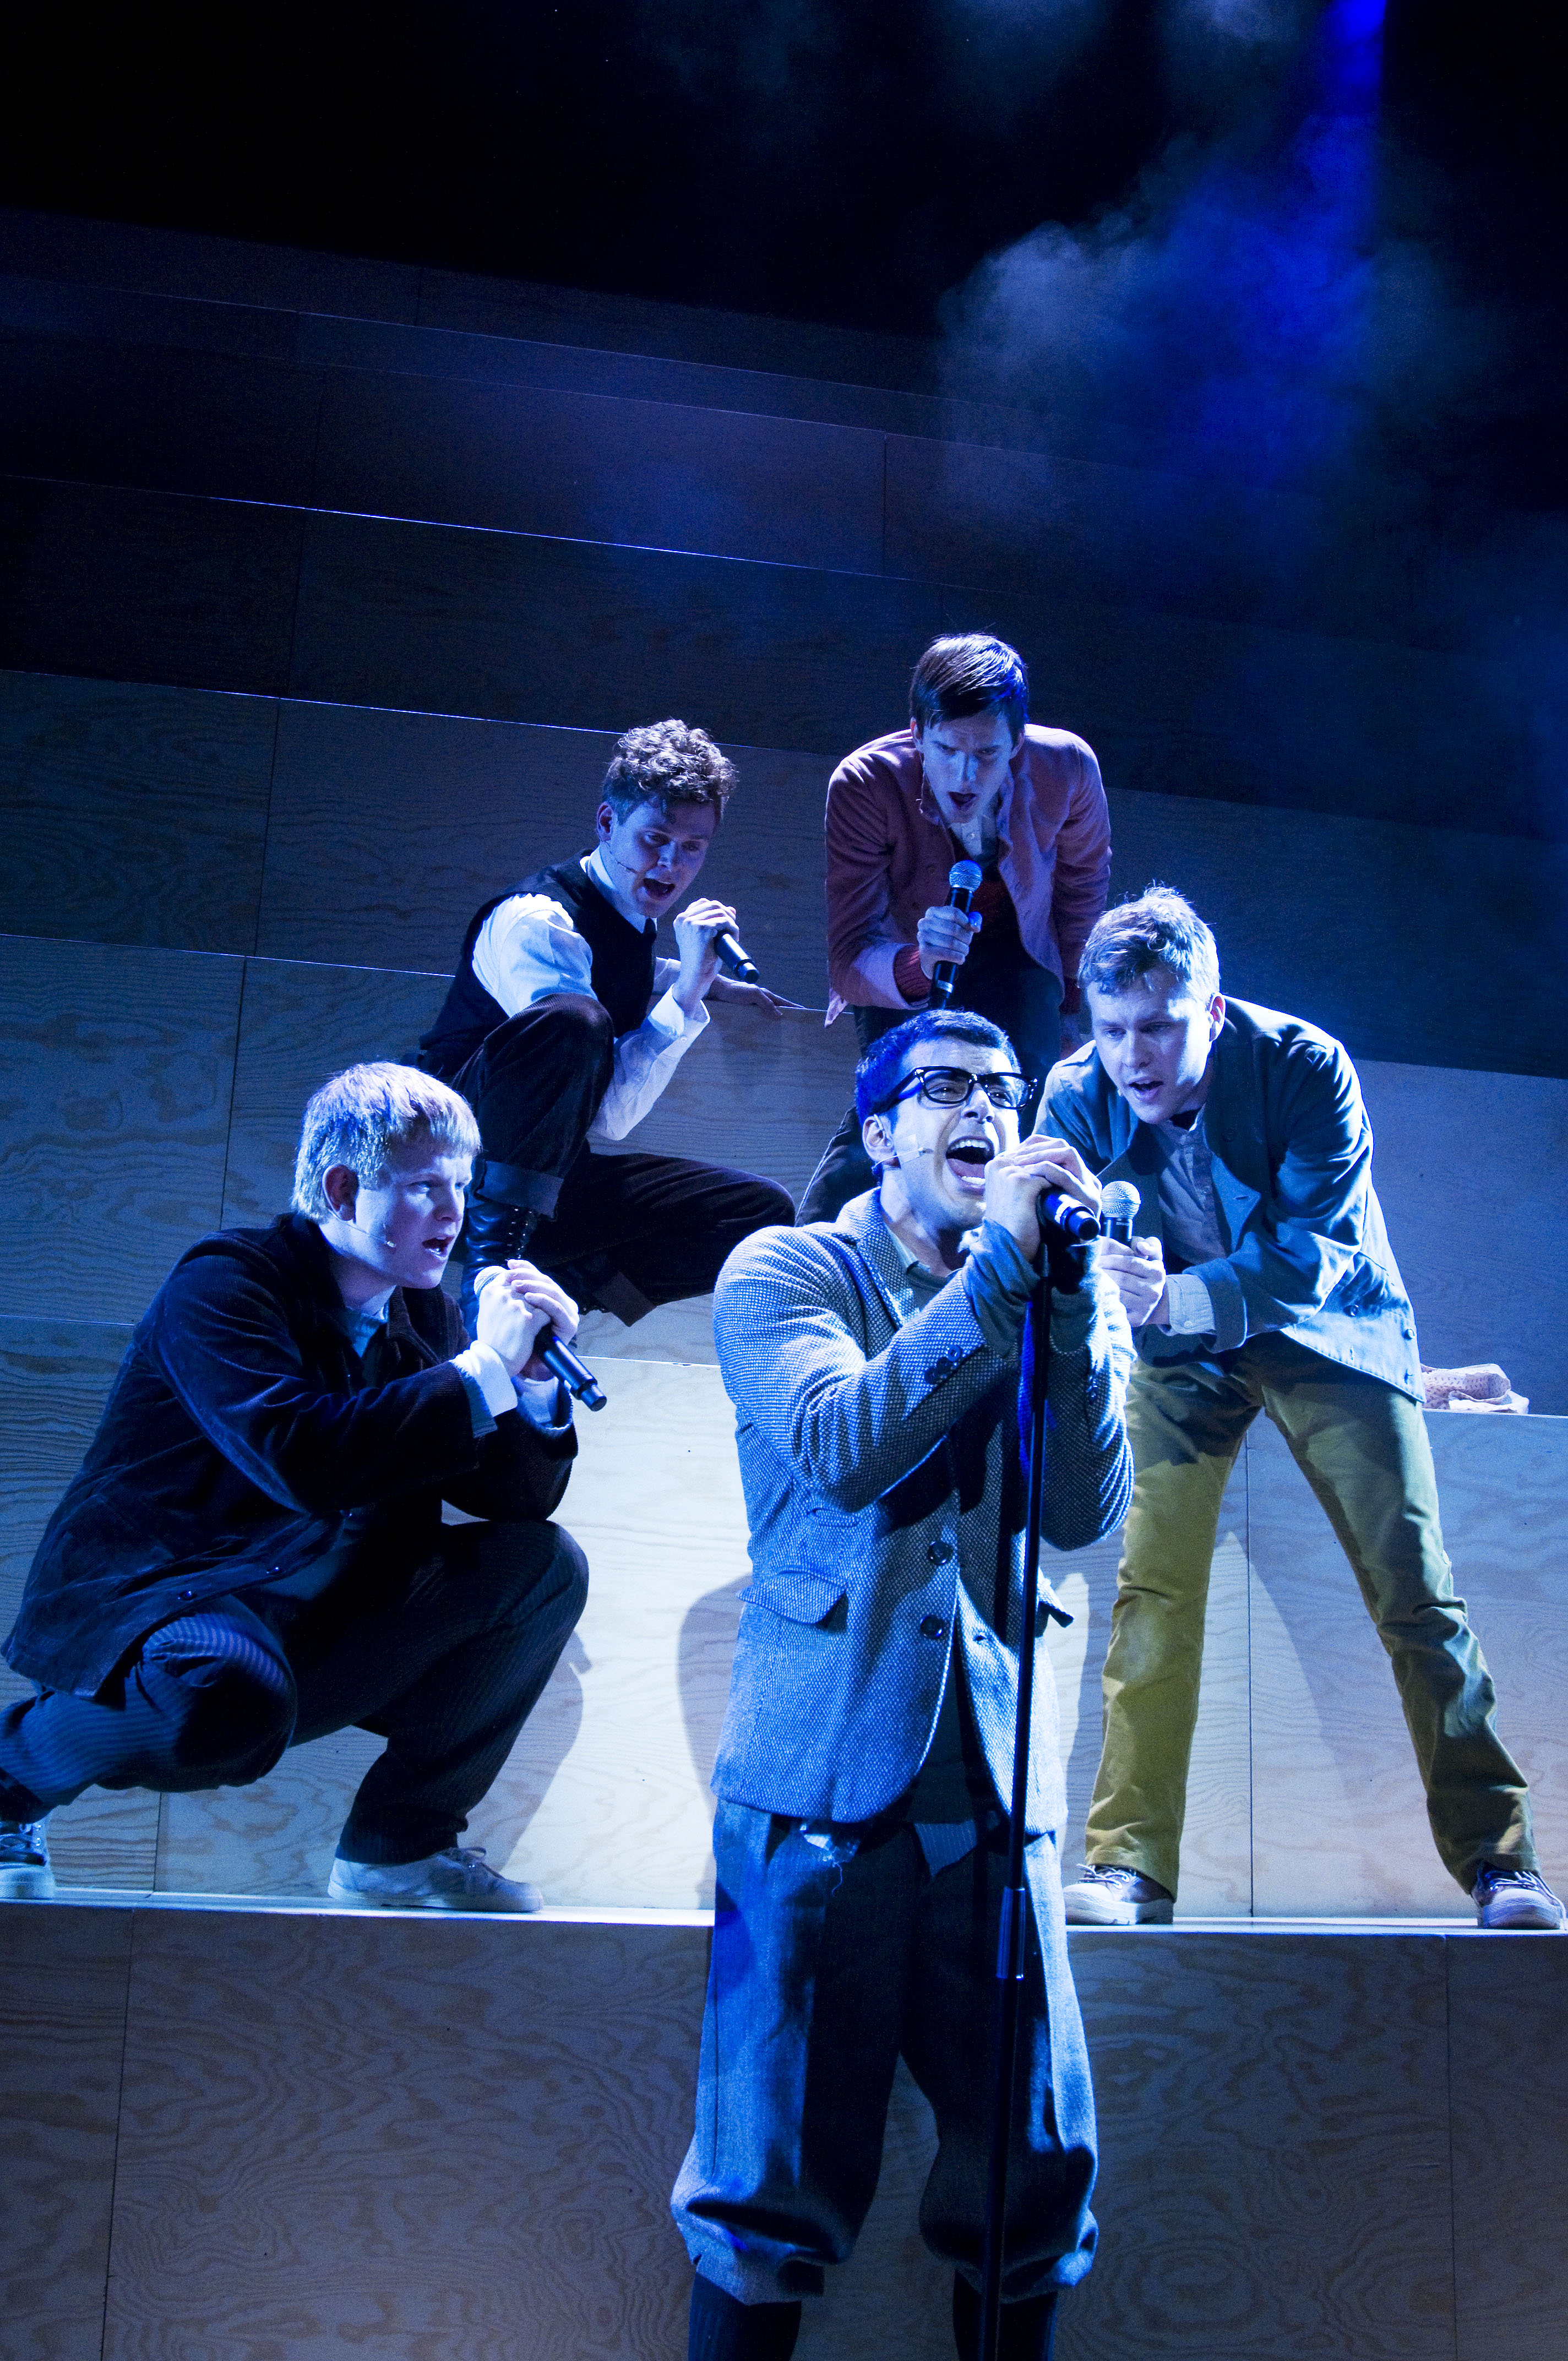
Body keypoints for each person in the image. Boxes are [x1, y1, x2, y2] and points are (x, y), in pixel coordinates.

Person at [672, 1009, 1136, 2360]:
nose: (983, 1106)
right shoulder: (784, 1270)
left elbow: (1082, 1509)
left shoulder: (1042, 1282)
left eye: (1003, 1087)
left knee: (1030, 2183)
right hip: (813, 1796)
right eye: (943, 1086)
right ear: (880, 1132)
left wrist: (1069, 1305)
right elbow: (841, 1442)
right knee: (763, 2195)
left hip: (993, 1809)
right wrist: (998, 1276)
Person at [1041, 888, 1564, 1933]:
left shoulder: (1305, 1065)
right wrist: (1095, 1278)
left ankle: (1502, 1862)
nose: (1133, 1056)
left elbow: (1316, 1254)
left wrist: (1173, 1296)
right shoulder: (1073, 1097)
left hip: (1327, 1332)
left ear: (1211, 1009)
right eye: (1111, 1030)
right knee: (1152, 1592)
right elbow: (1056, 1244)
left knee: (1413, 1590)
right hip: (1176, 1355)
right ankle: (1129, 1865)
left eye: (1158, 1026)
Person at [0, 1064, 587, 1911]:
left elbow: (517, 1501)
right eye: (426, 1187)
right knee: (223, 1691)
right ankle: (10, 1780)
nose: (454, 1214)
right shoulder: (228, 1283)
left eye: (463, 1187)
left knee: (541, 1567)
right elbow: (298, 1457)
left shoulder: (421, 1312)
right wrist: (481, 1369)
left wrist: (531, 1388)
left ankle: (398, 1852)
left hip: (314, 1631)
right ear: (343, 1190)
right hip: (170, 1612)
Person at [417, 718, 794, 1328]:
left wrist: (699, 977)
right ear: (606, 823)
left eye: (692, 847)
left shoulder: (624, 922)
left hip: (544, 1183)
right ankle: (489, 1280)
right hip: (446, 1167)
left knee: (758, 1214)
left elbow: (622, 964)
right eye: (655, 839)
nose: (670, 864)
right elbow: (610, 1111)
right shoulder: (537, 922)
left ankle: (560, 1298)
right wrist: (686, 996)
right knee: (574, 1021)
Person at [796, 633, 1112, 1226]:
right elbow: (849, 954)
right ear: (917, 733)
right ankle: (815, 1252)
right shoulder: (866, 782)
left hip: (1021, 958)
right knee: (905, 1103)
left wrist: (1072, 1002)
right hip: (903, 963)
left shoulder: (1067, 768)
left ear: (1016, 741)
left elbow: (1082, 889)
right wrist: (918, 964)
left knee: (1025, 1100)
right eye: (946, 750)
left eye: (987, 754)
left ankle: (1015, 1261)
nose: (965, 775)